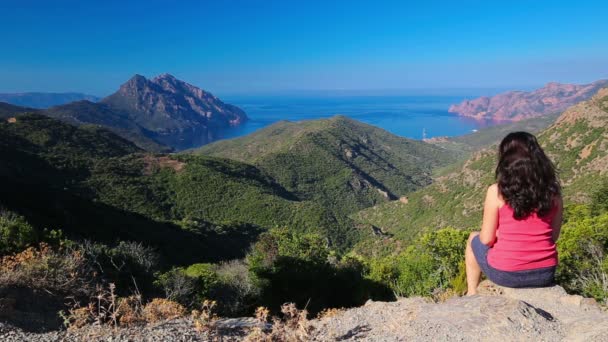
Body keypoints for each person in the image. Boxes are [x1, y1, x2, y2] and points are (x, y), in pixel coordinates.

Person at [465, 132, 562, 295]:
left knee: (472, 238)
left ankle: (472, 293)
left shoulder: (497, 191)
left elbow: (486, 239)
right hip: (545, 274)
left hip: (506, 274)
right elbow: (552, 236)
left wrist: (499, 235)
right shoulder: (554, 193)